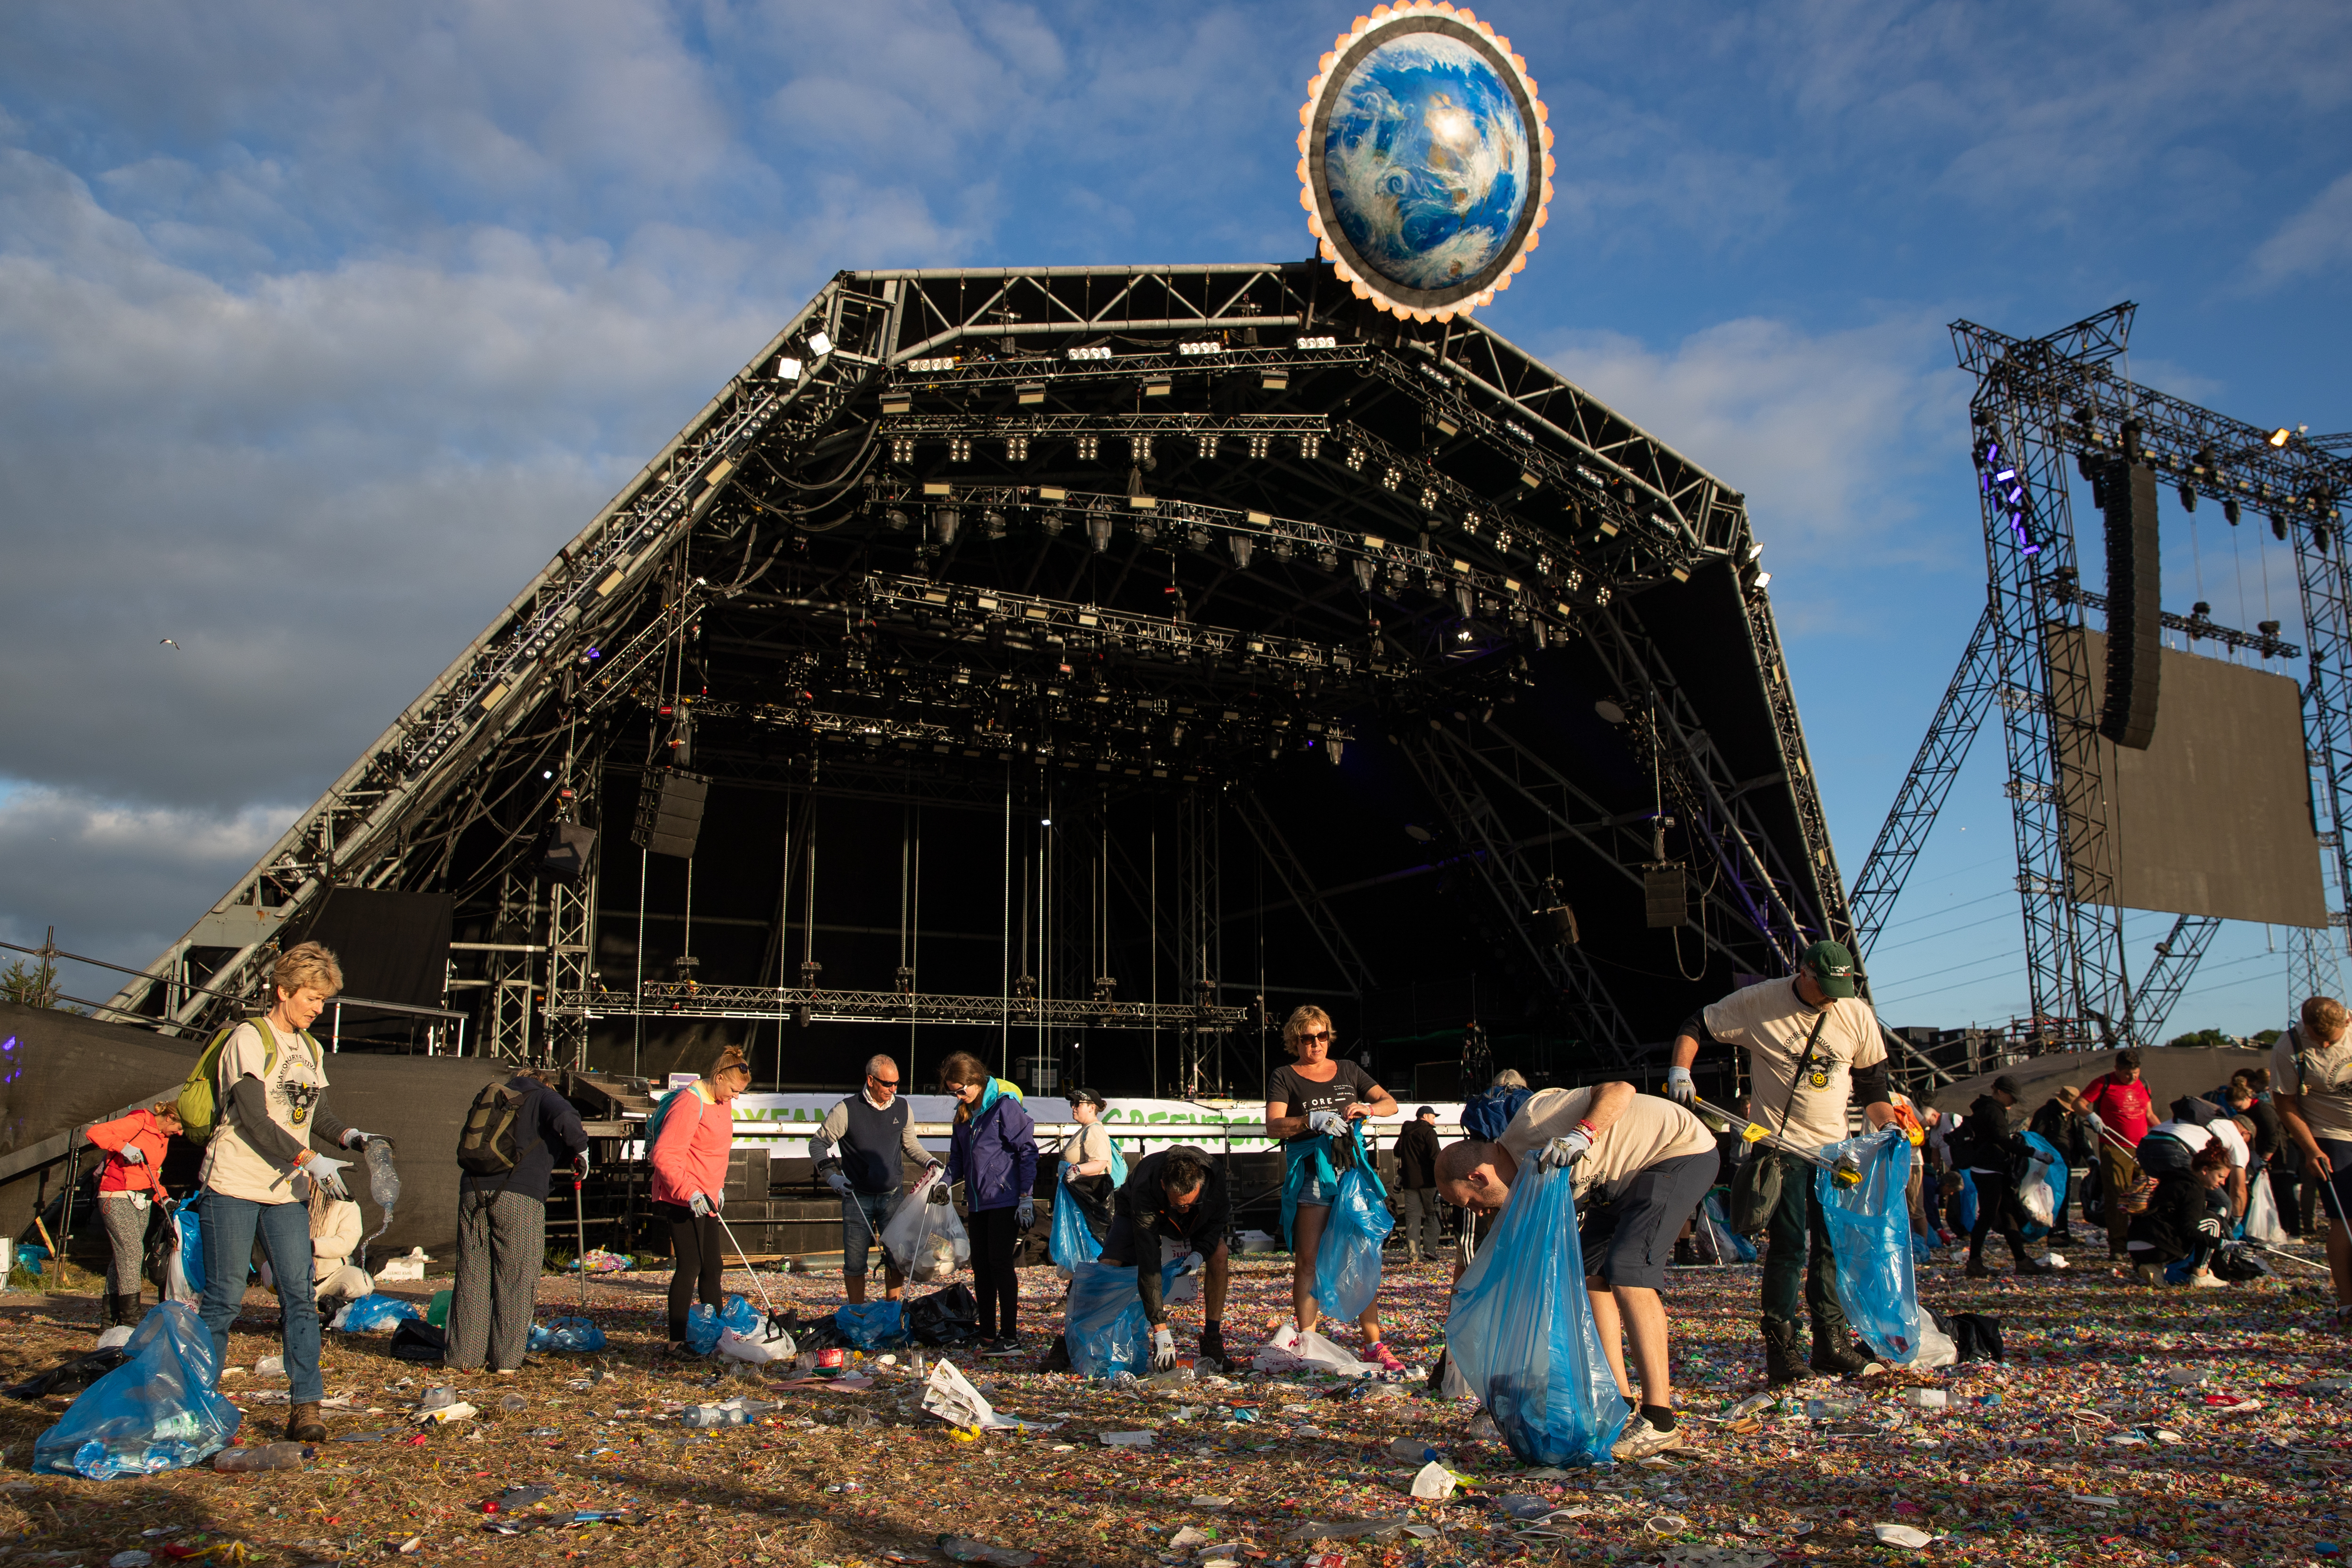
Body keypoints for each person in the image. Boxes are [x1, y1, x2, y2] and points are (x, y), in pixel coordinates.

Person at [1435, 1081, 1718, 1460]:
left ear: (1478, 1178)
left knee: (1627, 1267)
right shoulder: (1528, 1178)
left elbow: (1620, 1089)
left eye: (1471, 1204)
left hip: (1675, 1151)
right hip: (1619, 1184)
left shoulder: (1532, 1123)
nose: (1479, 1213)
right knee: (1590, 1273)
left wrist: (1581, 1134)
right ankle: (1618, 1402)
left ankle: (1659, 1420)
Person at [1664, 939, 1894, 1383]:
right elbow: (1696, 1023)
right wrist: (1681, 1070)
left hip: (1836, 1153)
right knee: (1789, 1247)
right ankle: (1783, 1350)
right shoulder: (1760, 1001)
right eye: (1824, 986)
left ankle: (1831, 1344)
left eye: (1838, 989)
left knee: (1831, 1248)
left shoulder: (1856, 1012)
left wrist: (1888, 1128)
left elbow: (1873, 1085)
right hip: (1782, 1149)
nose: (1831, 997)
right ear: (1804, 973)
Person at [196, 941, 387, 1444]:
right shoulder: (249, 1038)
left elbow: (313, 1114)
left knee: (300, 1296)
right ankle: (198, 1403)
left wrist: (350, 1138)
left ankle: (305, 1406)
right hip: (234, 1182)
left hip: (287, 1192)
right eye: (312, 998)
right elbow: (256, 1119)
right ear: (283, 992)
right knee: (223, 1298)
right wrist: (308, 1158)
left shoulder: (311, 1049)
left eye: (324, 1001)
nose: (318, 1009)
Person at [1264, 1004, 1403, 1371]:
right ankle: (1309, 1341)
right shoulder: (1285, 1075)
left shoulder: (1347, 1069)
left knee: (1363, 1253)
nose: (1316, 1044)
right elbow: (1274, 1125)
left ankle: (1373, 1343)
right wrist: (1311, 1120)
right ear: (1295, 1040)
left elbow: (1390, 1103)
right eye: (1308, 1038)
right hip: (1313, 1172)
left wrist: (1367, 1110)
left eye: (1322, 1035)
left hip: (1350, 1170)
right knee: (1308, 1259)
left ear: (1329, 1036)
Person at [447, 1068, 588, 1372]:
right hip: (519, 1197)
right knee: (517, 1280)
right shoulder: (543, 1095)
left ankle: (464, 1360)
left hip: (472, 1191)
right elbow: (567, 1117)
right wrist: (582, 1150)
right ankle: (506, 1363)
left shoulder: (494, 1096)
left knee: (473, 1279)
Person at [810, 1054, 939, 1304]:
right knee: (855, 1260)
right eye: (887, 1084)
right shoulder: (846, 1110)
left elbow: (910, 1145)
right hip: (857, 1198)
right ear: (871, 1080)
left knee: (896, 1257)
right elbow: (818, 1145)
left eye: (896, 1084)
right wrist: (832, 1177)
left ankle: (892, 1308)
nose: (893, 1090)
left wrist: (930, 1162)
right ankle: (857, 1311)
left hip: (892, 1196)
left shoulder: (902, 1107)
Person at [1095, 1144, 1234, 1372]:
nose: (1185, 1210)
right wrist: (1161, 1330)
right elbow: (1149, 1257)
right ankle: (1084, 1334)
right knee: (1110, 1262)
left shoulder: (1213, 1175)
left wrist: (1200, 1253)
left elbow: (1217, 1220)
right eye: (1179, 1205)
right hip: (1138, 1210)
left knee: (1219, 1252)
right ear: (1163, 1185)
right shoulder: (1146, 1185)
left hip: (1195, 1223)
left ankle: (1212, 1336)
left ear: (1201, 1186)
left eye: (1191, 1203)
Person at [649, 1045, 752, 1348]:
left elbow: (715, 1153)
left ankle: (717, 1333)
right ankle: (676, 1342)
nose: (735, 1097)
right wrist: (690, 1191)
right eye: (733, 1090)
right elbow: (665, 1155)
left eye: (739, 1093)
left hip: (707, 1197)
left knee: (713, 1266)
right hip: (681, 1196)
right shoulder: (690, 1103)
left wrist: (716, 1188)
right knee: (690, 1265)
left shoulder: (721, 1103)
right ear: (718, 1078)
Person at [940, 1051, 1038, 1355]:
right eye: (953, 1092)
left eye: (961, 1089)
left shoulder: (1004, 1106)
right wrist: (945, 1181)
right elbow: (958, 1159)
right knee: (981, 1267)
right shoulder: (964, 1114)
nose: (958, 1096)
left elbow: (1027, 1150)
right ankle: (988, 1332)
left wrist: (1026, 1196)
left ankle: (1010, 1336)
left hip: (1004, 1199)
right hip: (978, 1202)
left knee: (1000, 1264)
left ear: (975, 1081)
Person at [2273, 996, 2352, 1329]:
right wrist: (2310, 1148)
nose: (2323, 1044)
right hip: (2332, 1135)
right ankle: (2348, 1304)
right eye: (2316, 1038)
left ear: (2347, 1022)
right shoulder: (2288, 1047)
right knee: (2344, 1220)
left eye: (2330, 1040)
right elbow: (2286, 1102)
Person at [85, 1100, 181, 1329]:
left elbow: (151, 1173)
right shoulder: (138, 1122)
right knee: (132, 1252)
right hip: (116, 1195)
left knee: (123, 1257)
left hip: (143, 1199)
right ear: (169, 1117)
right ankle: (131, 1322)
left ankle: (110, 1322)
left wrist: (164, 1198)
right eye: (178, 1127)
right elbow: (95, 1132)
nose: (179, 1134)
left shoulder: (162, 1139)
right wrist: (123, 1147)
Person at [1957, 1076, 2052, 1279]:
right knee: (1988, 1216)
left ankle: (2022, 1260)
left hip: (1989, 1168)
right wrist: (2035, 1153)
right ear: (2000, 1092)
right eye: (2012, 1097)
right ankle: (1974, 1262)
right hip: (1988, 1169)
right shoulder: (1993, 1110)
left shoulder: (1989, 1109)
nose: (2014, 1102)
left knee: (2007, 1212)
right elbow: (2002, 1140)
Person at [2079, 1049, 2155, 1257]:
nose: (2132, 1078)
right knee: (2119, 1196)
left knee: (2147, 1194)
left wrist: (2164, 1133)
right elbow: (2078, 1103)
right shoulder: (2103, 1083)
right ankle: (2119, 1246)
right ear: (2117, 1070)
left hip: (2143, 1146)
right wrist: (2092, 1116)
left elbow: (2149, 1115)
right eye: (2127, 1074)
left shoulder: (2143, 1085)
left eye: (2136, 1073)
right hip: (2115, 1146)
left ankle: (2146, 1242)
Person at [2126, 1141, 2233, 1287]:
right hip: (2155, 1248)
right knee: (2213, 1221)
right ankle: (2200, 1275)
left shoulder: (2171, 1178)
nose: (2223, 1182)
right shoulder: (2194, 1188)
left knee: (2169, 1224)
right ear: (2206, 1170)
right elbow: (2188, 1230)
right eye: (2221, 1176)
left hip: (2134, 1245)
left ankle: (2155, 1268)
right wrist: (2222, 1243)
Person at [2028, 1086, 2089, 1244]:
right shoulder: (2046, 1113)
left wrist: (2091, 1157)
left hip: (2065, 1161)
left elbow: (2081, 1139)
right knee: (2051, 1198)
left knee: (2064, 1197)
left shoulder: (2075, 1117)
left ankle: (2063, 1232)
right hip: (2050, 1163)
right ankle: (2053, 1233)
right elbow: (2035, 1136)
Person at [307, 1186, 373, 1314]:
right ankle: (291, 1309)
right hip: (298, 1271)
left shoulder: (345, 1203)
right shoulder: (293, 1199)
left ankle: (337, 1307)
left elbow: (347, 1241)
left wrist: (314, 1246)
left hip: (333, 1273)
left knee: (364, 1285)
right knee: (270, 1272)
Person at [1394, 1107, 1443, 1265]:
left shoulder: (1406, 1130)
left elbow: (1397, 1151)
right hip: (1428, 1182)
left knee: (1412, 1219)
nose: (1434, 1120)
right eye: (1433, 1117)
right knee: (1433, 1215)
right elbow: (1436, 1156)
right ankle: (1430, 1249)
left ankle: (1413, 1256)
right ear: (1426, 1116)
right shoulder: (1429, 1132)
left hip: (1409, 1183)